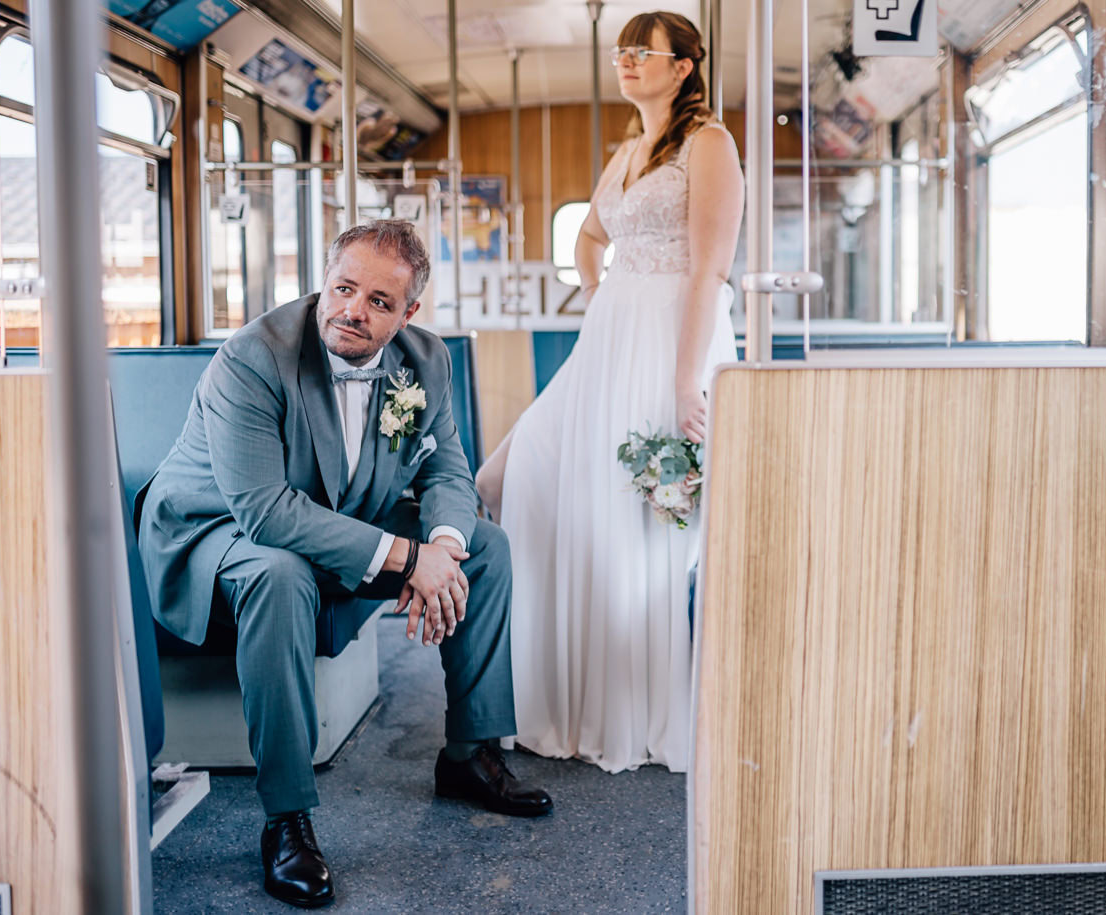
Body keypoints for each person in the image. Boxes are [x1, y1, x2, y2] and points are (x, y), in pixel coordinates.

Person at [137, 220, 552, 909]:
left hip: (334, 517)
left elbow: (450, 470)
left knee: (485, 545)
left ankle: (470, 752)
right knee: (279, 574)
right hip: (214, 530)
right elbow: (266, 513)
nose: (354, 310)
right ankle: (287, 819)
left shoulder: (426, 360)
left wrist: (443, 551)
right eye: (343, 288)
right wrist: (405, 557)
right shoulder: (253, 358)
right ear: (324, 280)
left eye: (380, 302)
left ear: (409, 313)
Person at [474, 11, 744, 774]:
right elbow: (590, 235)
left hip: (670, 340)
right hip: (610, 338)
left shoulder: (710, 145)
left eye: (642, 52)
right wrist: (600, 291)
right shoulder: (628, 151)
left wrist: (687, 376)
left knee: (639, 515)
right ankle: (555, 690)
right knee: (518, 468)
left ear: (683, 67)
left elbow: (709, 270)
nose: (626, 62)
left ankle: (629, 703)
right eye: (621, 51)